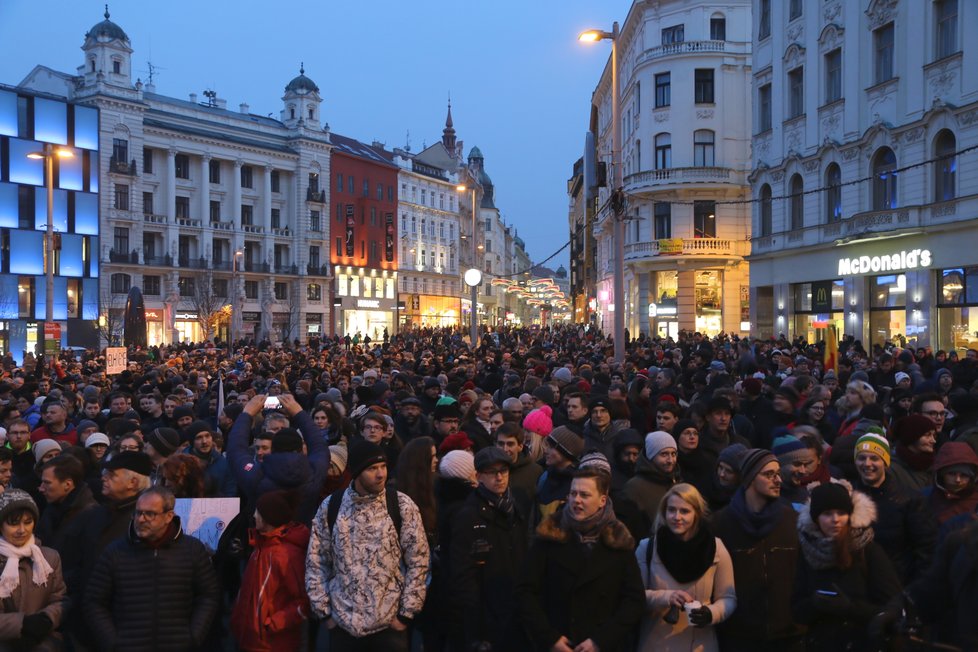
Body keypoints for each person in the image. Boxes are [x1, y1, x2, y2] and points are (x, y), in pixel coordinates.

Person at [305, 440, 430, 651]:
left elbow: (419, 560)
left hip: (389, 626)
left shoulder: (401, 505)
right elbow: (316, 561)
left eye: (383, 467)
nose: (381, 474)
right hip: (343, 623)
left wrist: (405, 615)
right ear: (356, 472)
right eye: (372, 468)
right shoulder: (332, 506)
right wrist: (325, 613)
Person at [518, 469, 645, 652]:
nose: (576, 500)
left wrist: (600, 641)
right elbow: (525, 591)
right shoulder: (549, 536)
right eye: (573, 493)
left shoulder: (618, 542)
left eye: (584, 495)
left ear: (602, 500)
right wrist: (548, 637)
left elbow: (634, 600)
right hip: (559, 642)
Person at [85, 486, 221, 651]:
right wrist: (113, 641)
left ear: (168, 516)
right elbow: (94, 601)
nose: (141, 519)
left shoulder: (192, 550)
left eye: (150, 514)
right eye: (138, 513)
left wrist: (193, 636)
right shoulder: (115, 551)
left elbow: (208, 596)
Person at [792, 481, 902, 651]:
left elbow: (892, 607)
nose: (835, 520)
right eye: (827, 513)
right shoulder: (807, 550)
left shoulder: (868, 550)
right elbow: (797, 610)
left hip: (863, 643)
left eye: (841, 513)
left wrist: (849, 608)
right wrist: (814, 604)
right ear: (816, 518)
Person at [712, 448, 803, 651]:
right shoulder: (721, 523)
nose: (778, 480)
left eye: (778, 473)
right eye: (769, 474)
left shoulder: (792, 521)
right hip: (739, 635)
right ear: (750, 478)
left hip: (788, 634)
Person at [635, 483, 736, 652]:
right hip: (655, 643)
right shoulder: (648, 547)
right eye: (671, 510)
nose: (677, 517)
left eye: (684, 511)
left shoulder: (715, 547)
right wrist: (666, 597)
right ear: (664, 512)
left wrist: (711, 613)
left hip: (700, 644)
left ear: (696, 513)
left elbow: (728, 597)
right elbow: (635, 596)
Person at [448, 447, 529, 651]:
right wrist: (477, 626)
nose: (499, 477)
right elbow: (463, 574)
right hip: (487, 612)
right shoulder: (469, 514)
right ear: (479, 476)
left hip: (517, 606)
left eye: (503, 470)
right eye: (492, 472)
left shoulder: (517, 504)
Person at [230, 489, 311, 652]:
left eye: (258, 512)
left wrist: (272, 623)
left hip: (272, 644)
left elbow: (304, 601)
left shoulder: (286, 554)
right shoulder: (261, 546)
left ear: (270, 517)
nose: (254, 515)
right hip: (250, 639)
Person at [851, 432, 936, 584]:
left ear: (885, 462)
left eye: (874, 458)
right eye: (861, 458)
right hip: (858, 585)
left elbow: (925, 550)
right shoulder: (848, 496)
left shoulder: (909, 499)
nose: (867, 464)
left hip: (896, 584)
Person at [0, 489, 66, 650]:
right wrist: (21, 625)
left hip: (43, 641)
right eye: (14, 523)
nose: (22, 530)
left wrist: (47, 619)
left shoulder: (49, 558)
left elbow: (60, 599)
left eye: (28, 522)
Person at [35, 455, 97, 557]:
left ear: (67, 484)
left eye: (47, 483)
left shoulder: (90, 516)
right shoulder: (52, 507)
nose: (41, 488)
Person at [624, 431, 680, 524]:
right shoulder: (634, 487)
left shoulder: (677, 482)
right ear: (650, 456)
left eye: (673, 454)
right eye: (664, 454)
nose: (670, 460)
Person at [923, 441, 978, 525]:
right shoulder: (925, 497)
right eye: (952, 474)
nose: (957, 480)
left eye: (964, 475)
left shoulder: (975, 501)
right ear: (941, 474)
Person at [888, 414, 938, 493]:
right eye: (927, 435)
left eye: (934, 435)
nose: (933, 440)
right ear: (912, 436)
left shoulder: (934, 464)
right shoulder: (891, 469)